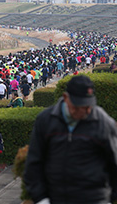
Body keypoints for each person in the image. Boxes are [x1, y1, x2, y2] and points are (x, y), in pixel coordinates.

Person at [24, 75, 117, 204]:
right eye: (80, 106)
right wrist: (40, 198)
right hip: (55, 198)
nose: (86, 110)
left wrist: (109, 198)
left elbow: (114, 163)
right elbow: (34, 161)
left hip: (94, 198)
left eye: (88, 105)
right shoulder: (46, 120)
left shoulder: (103, 123)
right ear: (66, 98)